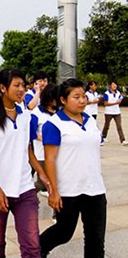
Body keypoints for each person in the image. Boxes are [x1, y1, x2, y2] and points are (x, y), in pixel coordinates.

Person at [0, 68, 49, 258]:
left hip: (24, 188)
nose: (21, 89)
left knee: (32, 244)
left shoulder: (26, 117)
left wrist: (42, 174)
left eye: (23, 85)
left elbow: (28, 150)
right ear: (2, 88)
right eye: (16, 85)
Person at [40, 78, 107, 257]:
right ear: (63, 100)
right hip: (69, 190)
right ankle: (35, 251)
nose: (82, 100)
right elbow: (50, 159)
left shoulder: (90, 121)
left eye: (84, 96)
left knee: (96, 239)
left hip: (95, 188)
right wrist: (54, 190)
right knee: (63, 233)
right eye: (76, 97)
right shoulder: (54, 124)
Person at [30, 83, 59, 195]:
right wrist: (46, 139)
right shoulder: (36, 113)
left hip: (58, 152)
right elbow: (32, 133)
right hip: (42, 154)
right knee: (43, 182)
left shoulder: (58, 112)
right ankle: (26, 195)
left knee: (56, 183)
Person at [101, 80, 128, 145]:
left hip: (117, 112)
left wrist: (119, 101)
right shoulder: (107, 93)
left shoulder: (118, 93)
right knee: (106, 126)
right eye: (113, 84)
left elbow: (120, 99)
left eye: (115, 84)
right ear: (110, 85)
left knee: (119, 126)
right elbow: (105, 103)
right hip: (108, 112)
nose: (115, 86)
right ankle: (103, 137)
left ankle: (122, 140)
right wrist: (115, 103)